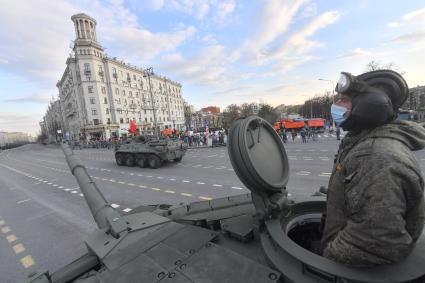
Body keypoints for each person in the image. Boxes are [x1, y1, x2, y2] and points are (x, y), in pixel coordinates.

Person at [321, 70, 425, 267]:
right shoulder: (364, 140)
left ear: (370, 106)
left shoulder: (376, 157)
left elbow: (375, 243)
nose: (336, 105)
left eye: (344, 99)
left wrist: (324, 259)